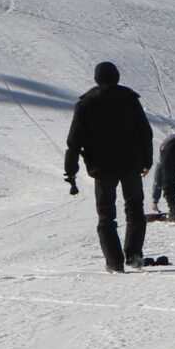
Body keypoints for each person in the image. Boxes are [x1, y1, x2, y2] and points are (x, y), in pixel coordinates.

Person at [63, 61, 155, 272]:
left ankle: (114, 263)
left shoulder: (86, 104)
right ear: (117, 77)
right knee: (135, 209)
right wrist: (146, 161)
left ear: (97, 78)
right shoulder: (130, 100)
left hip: (102, 167)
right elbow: (145, 132)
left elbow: (74, 141)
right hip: (131, 163)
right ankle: (134, 257)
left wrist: (70, 170)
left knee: (106, 214)